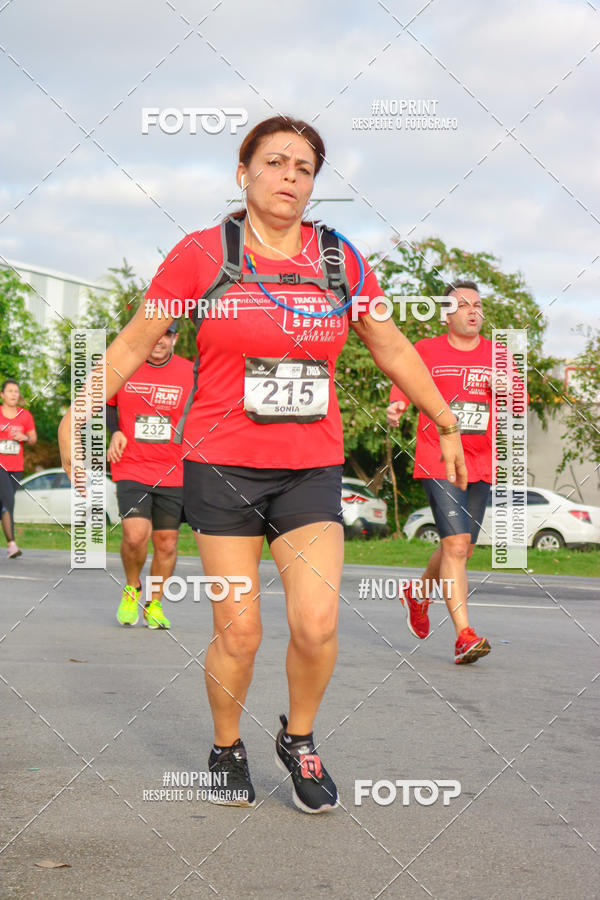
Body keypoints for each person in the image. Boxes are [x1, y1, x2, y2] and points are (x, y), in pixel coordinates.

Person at [59, 115, 467, 814]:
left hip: (308, 468)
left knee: (316, 625)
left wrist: (445, 419)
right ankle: (225, 747)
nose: (289, 177)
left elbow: (392, 346)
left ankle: (299, 739)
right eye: (275, 162)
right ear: (243, 173)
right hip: (221, 468)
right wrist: (79, 410)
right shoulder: (200, 255)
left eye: (303, 168)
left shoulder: (340, 262)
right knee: (239, 632)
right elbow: (133, 345)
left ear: (314, 184)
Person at [387, 280, 524, 664]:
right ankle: (464, 634)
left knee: (462, 547)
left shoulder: (499, 354)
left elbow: (519, 402)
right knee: (456, 546)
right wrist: (397, 405)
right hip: (438, 456)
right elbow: (405, 380)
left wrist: (505, 389)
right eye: (463, 305)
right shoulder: (426, 349)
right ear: (446, 313)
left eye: (477, 304)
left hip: (480, 460)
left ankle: (418, 593)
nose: (473, 311)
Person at [106, 321, 193, 629]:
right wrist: (115, 431)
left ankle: (154, 604)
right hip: (132, 464)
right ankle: (133, 587)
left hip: (174, 470)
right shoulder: (127, 365)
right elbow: (107, 401)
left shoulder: (191, 372)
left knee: (167, 542)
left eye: (167, 335)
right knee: (134, 534)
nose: (159, 341)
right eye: (155, 334)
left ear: (175, 338)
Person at [0, 379, 36, 558]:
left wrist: (24, 436)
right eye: (10, 391)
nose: (14, 394)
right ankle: (12, 545)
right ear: (2, 395)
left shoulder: (25, 415)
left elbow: (33, 438)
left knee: (4, 504)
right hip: (0, 466)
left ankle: (10, 543)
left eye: (16, 391)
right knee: (9, 502)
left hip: (16, 467)